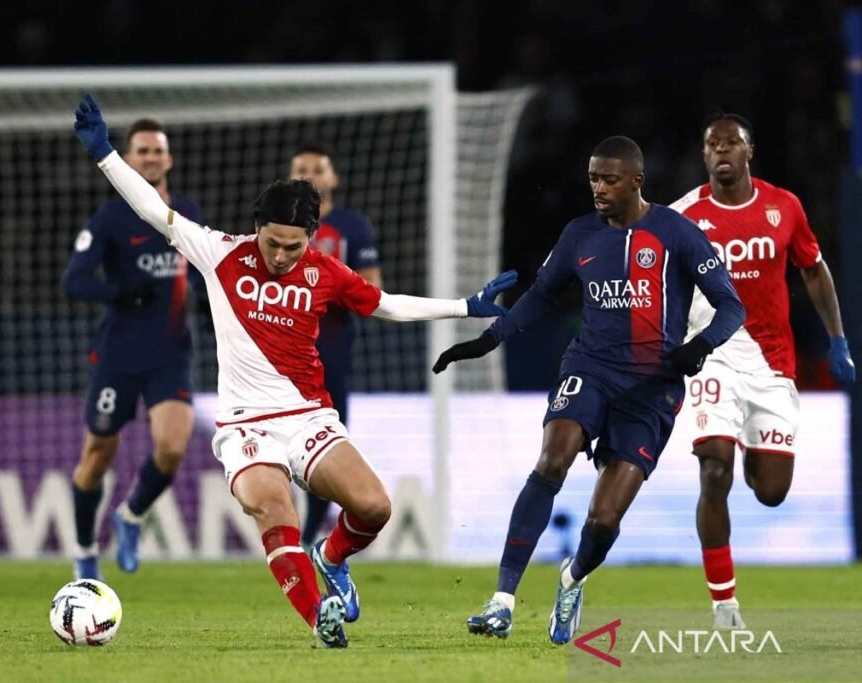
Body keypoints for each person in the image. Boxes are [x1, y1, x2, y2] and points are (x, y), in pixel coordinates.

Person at [73, 94, 516, 648]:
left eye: (294, 246)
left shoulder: (326, 271)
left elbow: (385, 303)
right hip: (245, 425)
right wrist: (105, 155)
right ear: (256, 226)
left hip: (308, 416)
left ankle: (330, 557)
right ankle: (318, 619)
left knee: (374, 507)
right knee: (274, 507)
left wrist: (464, 306)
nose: (281, 256)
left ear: (312, 239)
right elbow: (151, 209)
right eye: (273, 242)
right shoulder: (220, 252)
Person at [434, 135, 746, 644]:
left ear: (636, 181)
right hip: (590, 367)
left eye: (609, 179)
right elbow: (540, 295)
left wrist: (700, 345)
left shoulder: (676, 233)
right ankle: (502, 600)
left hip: (653, 388)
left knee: (603, 519)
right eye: (593, 178)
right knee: (551, 461)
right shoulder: (579, 235)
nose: (598, 188)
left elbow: (732, 306)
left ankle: (573, 577)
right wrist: (489, 339)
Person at [670, 111, 854, 628]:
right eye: (712, 145)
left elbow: (814, 271)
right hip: (712, 357)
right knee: (713, 469)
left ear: (749, 152)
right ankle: (724, 604)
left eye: (731, 144)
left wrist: (837, 340)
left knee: (771, 491)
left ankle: (750, 443)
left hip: (773, 365)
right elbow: (651, 276)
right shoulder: (683, 216)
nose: (721, 152)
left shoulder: (783, 206)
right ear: (704, 155)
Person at [63, 118, 205, 580]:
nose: (150, 157)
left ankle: (130, 515)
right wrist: (120, 292)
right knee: (97, 455)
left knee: (172, 447)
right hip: (119, 355)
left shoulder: (185, 212)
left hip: (171, 353)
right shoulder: (109, 218)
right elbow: (74, 279)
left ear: (169, 158)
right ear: (128, 159)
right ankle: (85, 551)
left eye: (157, 150)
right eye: (141, 151)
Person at [289, 143, 383, 546]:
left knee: (324, 451)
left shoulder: (352, 227)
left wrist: (327, 289)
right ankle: (288, 532)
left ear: (333, 179)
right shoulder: (279, 224)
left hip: (331, 360)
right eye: (302, 168)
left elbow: (373, 291)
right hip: (280, 358)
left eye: (318, 168)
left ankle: (309, 536)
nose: (310, 174)